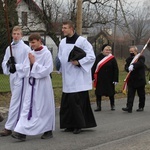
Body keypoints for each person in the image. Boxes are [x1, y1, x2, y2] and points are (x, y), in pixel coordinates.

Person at [11, 33, 55, 141]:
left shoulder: (46, 53)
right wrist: (15, 66)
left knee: (43, 108)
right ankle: (21, 132)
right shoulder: (30, 53)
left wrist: (34, 63)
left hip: (43, 85)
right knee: (27, 107)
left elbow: (47, 70)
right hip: (31, 85)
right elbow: (26, 67)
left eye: (33, 42)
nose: (32, 45)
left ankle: (47, 129)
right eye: (30, 42)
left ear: (40, 41)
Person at [57, 20, 97, 134]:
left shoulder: (82, 41)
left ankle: (79, 125)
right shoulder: (62, 42)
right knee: (67, 102)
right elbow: (60, 57)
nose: (63, 30)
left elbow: (91, 56)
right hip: (67, 76)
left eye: (65, 28)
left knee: (76, 102)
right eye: (62, 27)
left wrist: (79, 62)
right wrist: (59, 66)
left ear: (71, 29)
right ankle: (68, 124)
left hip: (78, 76)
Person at [0, 26, 31, 136]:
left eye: (18, 34)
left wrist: (16, 66)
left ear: (21, 35)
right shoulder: (9, 48)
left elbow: (27, 65)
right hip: (12, 77)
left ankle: (8, 127)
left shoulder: (26, 48)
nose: (16, 36)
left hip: (21, 78)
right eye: (14, 33)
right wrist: (8, 64)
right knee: (17, 102)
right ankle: (19, 124)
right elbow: (4, 61)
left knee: (14, 102)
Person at [92, 44, 119, 111]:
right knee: (98, 92)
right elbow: (94, 68)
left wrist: (115, 79)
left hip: (109, 78)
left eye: (109, 50)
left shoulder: (112, 58)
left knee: (111, 92)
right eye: (106, 50)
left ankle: (112, 105)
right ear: (103, 50)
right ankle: (98, 106)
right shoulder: (98, 57)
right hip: (100, 78)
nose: (108, 51)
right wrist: (92, 77)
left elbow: (115, 69)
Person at [122, 46, 146, 113]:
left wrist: (133, 65)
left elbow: (140, 63)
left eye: (132, 51)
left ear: (136, 51)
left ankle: (141, 106)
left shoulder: (141, 57)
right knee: (130, 94)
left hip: (139, 79)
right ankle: (129, 107)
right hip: (131, 79)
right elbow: (126, 67)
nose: (131, 53)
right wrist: (127, 68)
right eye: (130, 52)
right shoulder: (128, 59)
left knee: (141, 94)